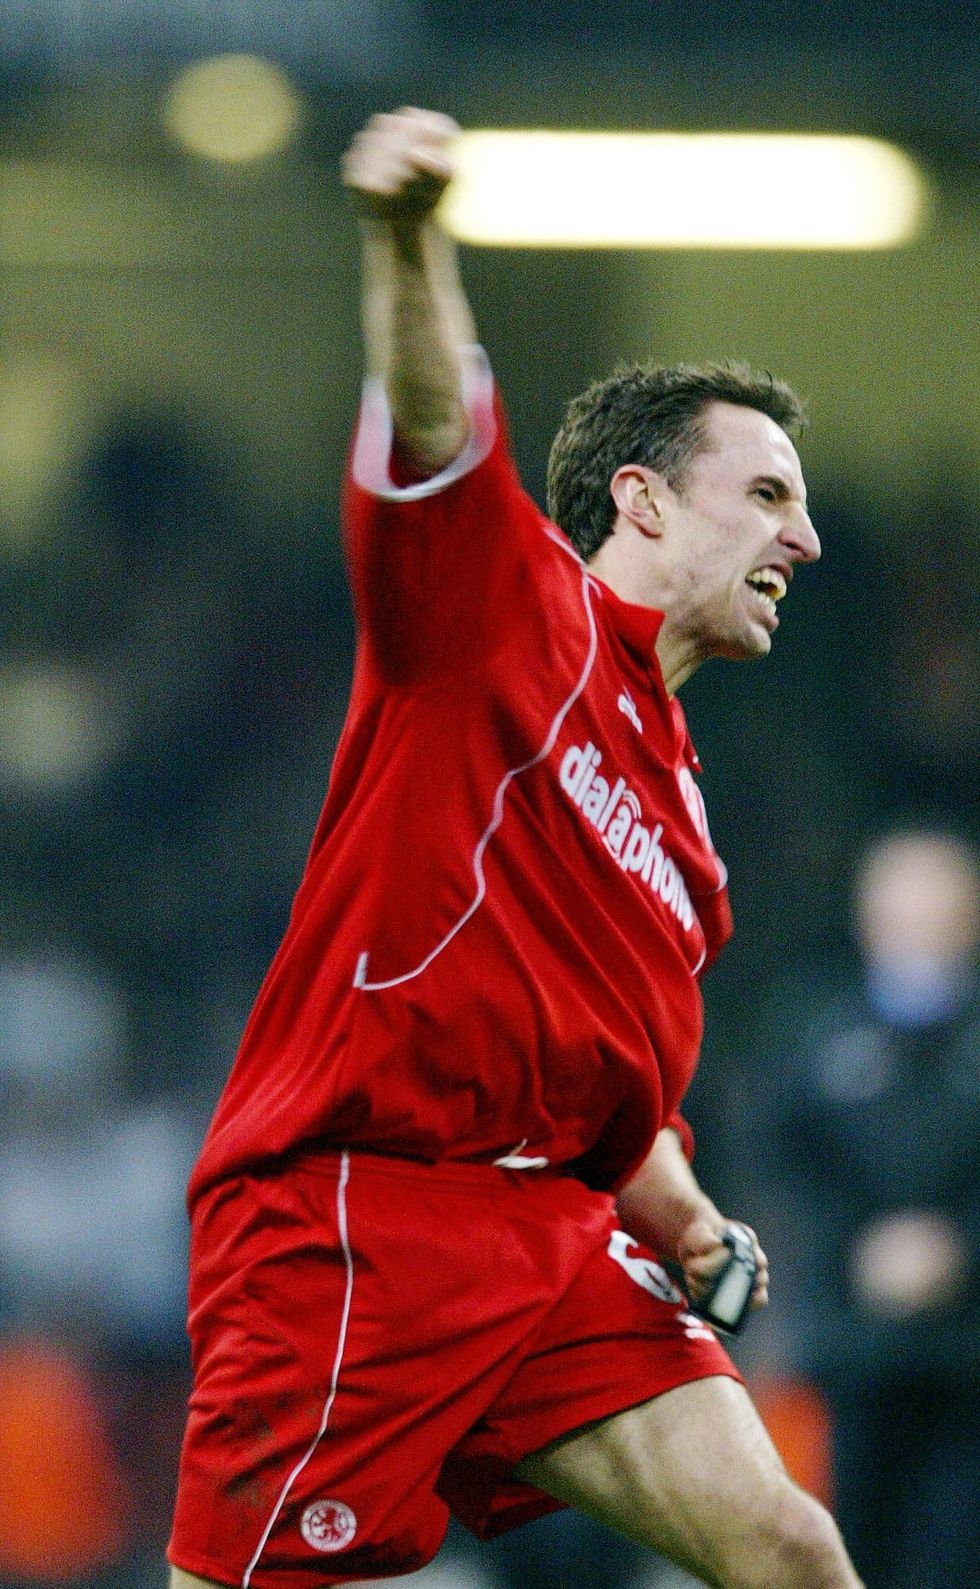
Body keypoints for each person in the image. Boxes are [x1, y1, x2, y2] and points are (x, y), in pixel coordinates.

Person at [167, 107, 862, 1589]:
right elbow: (433, 425)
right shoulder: (501, 603)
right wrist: (407, 233)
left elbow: (609, 1094)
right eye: (767, 495)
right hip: (360, 1206)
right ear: (640, 498)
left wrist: (689, 1221)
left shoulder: (685, 825)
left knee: (787, 1543)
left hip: (546, 1228)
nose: (803, 541)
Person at [759, 828, 979, 1589]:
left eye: (935, 896)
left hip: (968, 1359)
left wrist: (959, 1248)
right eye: (898, 897)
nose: (915, 916)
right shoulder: (815, 1028)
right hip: (851, 1355)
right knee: (852, 1558)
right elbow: (780, 1164)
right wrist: (856, 1248)